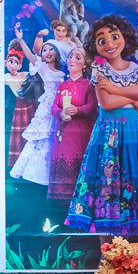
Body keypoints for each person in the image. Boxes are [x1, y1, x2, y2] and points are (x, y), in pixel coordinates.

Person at [65, 14, 138, 234]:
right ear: (95, 46)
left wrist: (115, 89)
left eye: (114, 37)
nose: (109, 43)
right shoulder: (99, 70)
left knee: (131, 175)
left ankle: (126, 246)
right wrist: (132, 99)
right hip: (109, 130)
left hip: (132, 131)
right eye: (102, 40)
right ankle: (106, 244)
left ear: (125, 38)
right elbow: (106, 103)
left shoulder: (133, 67)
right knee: (107, 178)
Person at [10, 41, 65, 187]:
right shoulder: (43, 68)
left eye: (51, 49)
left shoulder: (62, 73)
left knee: (54, 137)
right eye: (44, 50)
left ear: (57, 53)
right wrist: (21, 40)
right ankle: (36, 173)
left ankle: (53, 172)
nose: (48, 52)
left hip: (59, 106)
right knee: (41, 135)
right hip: (47, 106)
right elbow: (30, 56)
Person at [48, 45, 97, 201]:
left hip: (81, 134)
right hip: (64, 133)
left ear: (84, 64)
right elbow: (54, 107)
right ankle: (60, 201)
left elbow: (93, 107)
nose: (72, 60)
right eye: (70, 57)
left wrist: (78, 110)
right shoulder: (62, 85)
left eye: (77, 57)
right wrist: (60, 113)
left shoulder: (89, 85)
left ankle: (81, 200)